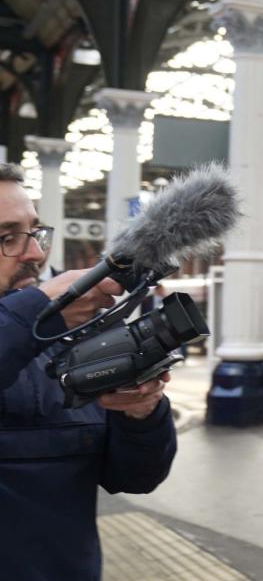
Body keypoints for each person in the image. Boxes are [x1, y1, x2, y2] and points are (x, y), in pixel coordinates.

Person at [0, 163, 177, 579]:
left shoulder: (66, 337)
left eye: (34, 233)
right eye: (7, 238)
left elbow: (135, 478)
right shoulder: (37, 322)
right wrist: (33, 316)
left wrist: (140, 413)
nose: (35, 255)